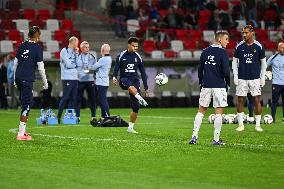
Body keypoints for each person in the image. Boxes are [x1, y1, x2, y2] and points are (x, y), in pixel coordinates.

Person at [188, 31, 230, 145]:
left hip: (206, 85)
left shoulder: (205, 51)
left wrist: (202, 82)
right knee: (218, 112)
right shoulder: (222, 52)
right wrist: (228, 83)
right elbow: (226, 71)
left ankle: (194, 137)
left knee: (201, 111)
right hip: (219, 85)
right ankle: (216, 140)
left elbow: (200, 69)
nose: (228, 42)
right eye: (226, 39)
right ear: (220, 40)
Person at [14, 26, 48, 140]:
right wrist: (45, 82)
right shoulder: (37, 48)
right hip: (26, 78)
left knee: (25, 103)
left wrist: (14, 79)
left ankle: (22, 131)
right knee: (27, 105)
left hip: (19, 77)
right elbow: (41, 68)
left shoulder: (21, 45)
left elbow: (15, 63)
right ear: (37, 36)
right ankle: (21, 134)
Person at [232, 25, 267, 132]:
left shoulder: (259, 46)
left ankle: (257, 125)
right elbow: (234, 62)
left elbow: (264, 63)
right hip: (242, 78)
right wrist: (236, 76)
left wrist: (262, 77)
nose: (244, 35)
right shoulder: (239, 46)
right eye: (243, 33)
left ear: (252, 33)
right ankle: (241, 125)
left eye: (246, 33)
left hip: (255, 78)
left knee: (256, 100)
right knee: (240, 100)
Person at [112, 37, 149, 133]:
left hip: (135, 80)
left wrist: (146, 87)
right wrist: (114, 77)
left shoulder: (138, 57)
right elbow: (116, 68)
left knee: (136, 108)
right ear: (128, 45)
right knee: (130, 86)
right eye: (134, 46)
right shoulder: (121, 55)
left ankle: (130, 128)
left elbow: (143, 73)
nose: (135, 48)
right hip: (124, 80)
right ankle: (139, 97)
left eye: (137, 46)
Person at [57, 36, 79, 123]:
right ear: (72, 43)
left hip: (74, 77)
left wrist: (77, 54)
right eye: (76, 44)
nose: (77, 46)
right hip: (66, 78)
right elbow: (68, 65)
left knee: (73, 98)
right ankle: (58, 116)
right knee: (65, 97)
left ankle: (69, 117)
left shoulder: (74, 52)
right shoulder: (64, 51)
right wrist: (75, 64)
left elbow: (78, 63)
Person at [89, 44, 112, 124]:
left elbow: (93, 67)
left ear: (102, 50)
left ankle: (107, 116)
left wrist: (87, 69)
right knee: (102, 99)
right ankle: (104, 117)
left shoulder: (103, 59)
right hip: (104, 82)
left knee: (102, 100)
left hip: (101, 82)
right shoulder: (108, 58)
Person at [76, 41, 97, 123]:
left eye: (88, 47)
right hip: (80, 81)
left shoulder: (92, 57)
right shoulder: (77, 57)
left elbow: (95, 68)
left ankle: (93, 116)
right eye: (85, 47)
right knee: (78, 99)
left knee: (92, 99)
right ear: (81, 48)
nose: (87, 49)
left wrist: (94, 76)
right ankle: (77, 117)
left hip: (90, 81)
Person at [266, 42, 284, 122]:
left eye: (283, 47)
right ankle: (273, 118)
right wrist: (266, 74)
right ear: (278, 48)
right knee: (274, 102)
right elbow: (264, 66)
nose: (282, 48)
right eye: (281, 47)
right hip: (276, 83)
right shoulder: (273, 57)